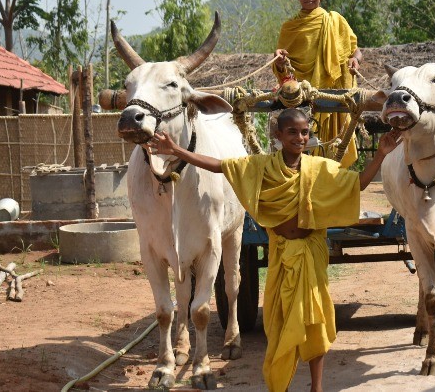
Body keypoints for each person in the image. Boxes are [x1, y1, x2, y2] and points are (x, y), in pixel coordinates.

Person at [148, 109, 401, 392]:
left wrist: (381, 153)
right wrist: (177, 150)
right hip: (281, 254)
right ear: (278, 135)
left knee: (315, 321)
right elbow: (219, 165)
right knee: (278, 322)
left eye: (304, 132)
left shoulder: (320, 168)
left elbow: (358, 184)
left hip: (310, 253)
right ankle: (281, 385)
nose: (300, 137)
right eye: (292, 132)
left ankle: (316, 387)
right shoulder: (261, 167)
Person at [273, 0, 363, 169]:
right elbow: (282, 67)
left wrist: (354, 60)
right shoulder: (289, 27)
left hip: (333, 95)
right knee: (300, 150)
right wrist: (280, 61)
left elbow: (355, 50)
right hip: (301, 100)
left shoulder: (335, 20)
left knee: (334, 149)